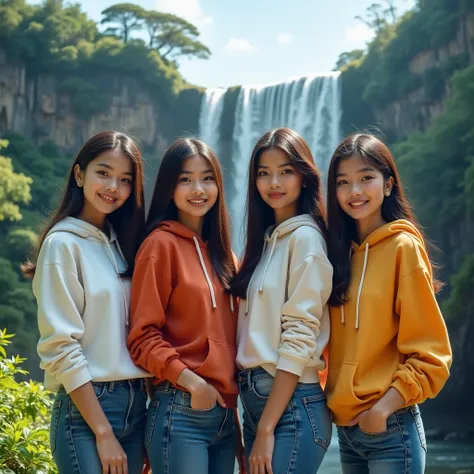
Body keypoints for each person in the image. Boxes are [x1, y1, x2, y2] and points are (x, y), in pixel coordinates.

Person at [24, 131, 151, 474]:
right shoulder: (62, 245)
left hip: (136, 404)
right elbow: (60, 345)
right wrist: (103, 432)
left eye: (125, 180)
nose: (113, 186)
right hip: (87, 412)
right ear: (79, 175)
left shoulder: (120, 245)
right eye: (104, 173)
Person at [325, 133, 452, 474]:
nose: (355, 191)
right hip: (347, 430)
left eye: (366, 178)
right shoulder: (337, 257)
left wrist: (382, 409)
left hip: (390, 427)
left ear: (387, 185)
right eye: (343, 182)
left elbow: (432, 353)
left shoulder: (403, 248)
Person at [127, 137, 243, 474]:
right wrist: (193, 383)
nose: (198, 189)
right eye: (185, 179)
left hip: (224, 415)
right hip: (180, 410)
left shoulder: (226, 258)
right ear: (169, 187)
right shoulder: (159, 245)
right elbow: (143, 336)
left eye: (207, 178)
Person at [231, 128, 333, 474]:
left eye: (286, 171)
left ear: (304, 177)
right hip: (260, 404)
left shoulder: (306, 239)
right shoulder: (266, 244)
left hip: (291, 408)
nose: (274, 182)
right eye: (264, 173)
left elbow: (299, 336)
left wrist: (265, 427)